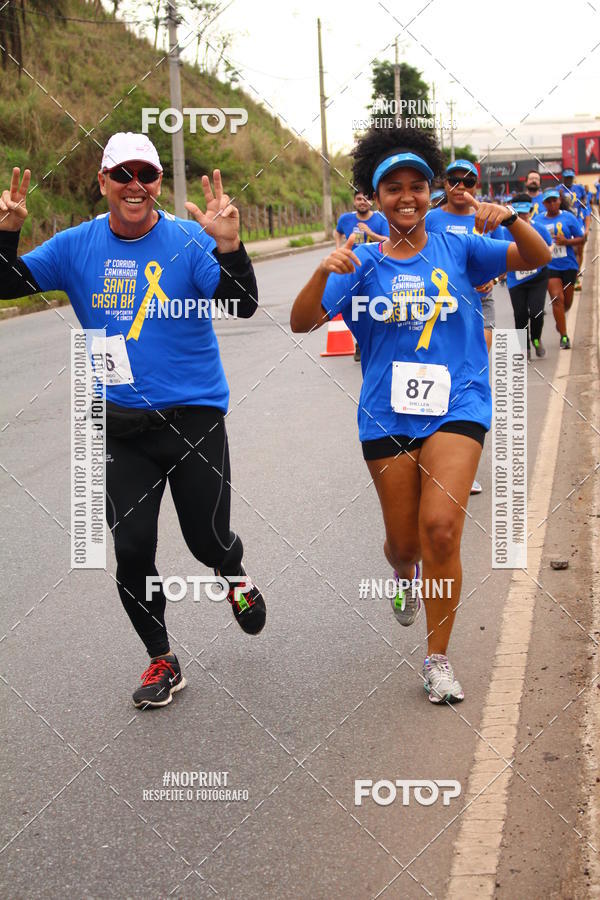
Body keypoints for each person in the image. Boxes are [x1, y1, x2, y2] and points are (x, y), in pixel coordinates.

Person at [0, 132, 266, 709]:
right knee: (132, 550)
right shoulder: (76, 246)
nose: (135, 185)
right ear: (104, 183)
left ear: (157, 184)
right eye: (122, 175)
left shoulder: (187, 240)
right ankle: (162, 660)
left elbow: (242, 302)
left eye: (146, 174)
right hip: (121, 426)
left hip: (193, 418)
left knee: (206, 539)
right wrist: (6, 232)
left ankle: (233, 573)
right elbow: (5, 284)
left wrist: (230, 246)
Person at [290, 125, 550, 704]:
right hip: (386, 415)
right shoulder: (361, 262)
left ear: (430, 192)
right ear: (376, 196)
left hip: (458, 403)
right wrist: (322, 271)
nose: (405, 196)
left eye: (416, 186)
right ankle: (402, 572)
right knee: (405, 544)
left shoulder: (459, 245)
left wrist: (506, 218)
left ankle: (437, 659)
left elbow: (539, 256)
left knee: (441, 528)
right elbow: (302, 322)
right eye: (393, 188)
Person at [426, 159, 505, 495]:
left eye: (468, 181)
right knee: (439, 375)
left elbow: (505, 259)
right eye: (454, 180)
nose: (460, 187)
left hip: (479, 305)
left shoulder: (486, 217)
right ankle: (434, 453)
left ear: (477, 184)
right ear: (445, 184)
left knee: (471, 375)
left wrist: (494, 277)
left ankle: (464, 465)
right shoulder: (431, 218)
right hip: (439, 310)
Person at [336, 191, 390, 361]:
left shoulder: (380, 219)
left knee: (371, 305)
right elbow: (337, 232)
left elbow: (388, 240)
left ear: (372, 201)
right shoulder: (345, 219)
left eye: (366, 199)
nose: (362, 202)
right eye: (359, 199)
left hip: (375, 269)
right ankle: (359, 340)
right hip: (352, 270)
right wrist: (339, 248)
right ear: (354, 201)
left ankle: (369, 341)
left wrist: (370, 233)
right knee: (353, 306)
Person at [499, 193, 552, 359]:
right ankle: (524, 348)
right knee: (520, 315)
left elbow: (549, 248)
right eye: (518, 213)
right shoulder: (504, 231)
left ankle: (536, 339)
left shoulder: (540, 228)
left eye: (525, 212)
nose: (523, 216)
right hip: (516, 280)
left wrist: (537, 257)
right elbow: (499, 251)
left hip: (538, 277)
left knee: (536, 312)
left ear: (530, 209)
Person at [535, 187, 585, 349]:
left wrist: (566, 242)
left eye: (554, 200)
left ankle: (560, 322)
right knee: (557, 298)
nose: (552, 203)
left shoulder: (568, 217)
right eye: (548, 201)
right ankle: (564, 336)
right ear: (544, 203)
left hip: (568, 265)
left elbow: (581, 239)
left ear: (559, 200)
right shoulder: (538, 220)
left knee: (567, 302)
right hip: (550, 266)